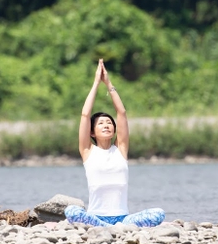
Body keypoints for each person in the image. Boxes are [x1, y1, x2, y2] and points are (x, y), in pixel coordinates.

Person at [64, 59, 165, 227]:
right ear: (91, 131)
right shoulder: (87, 151)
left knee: (159, 214)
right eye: (101, 123)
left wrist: (108, 83)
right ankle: (111, 228)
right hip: (95, 217)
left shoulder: (121, 149)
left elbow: (122, 112)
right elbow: (84, 115)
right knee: (71, 211)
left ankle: (112, 228)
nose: (106, 125)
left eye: (109, 123)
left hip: (123, 218)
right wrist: (96, 82)